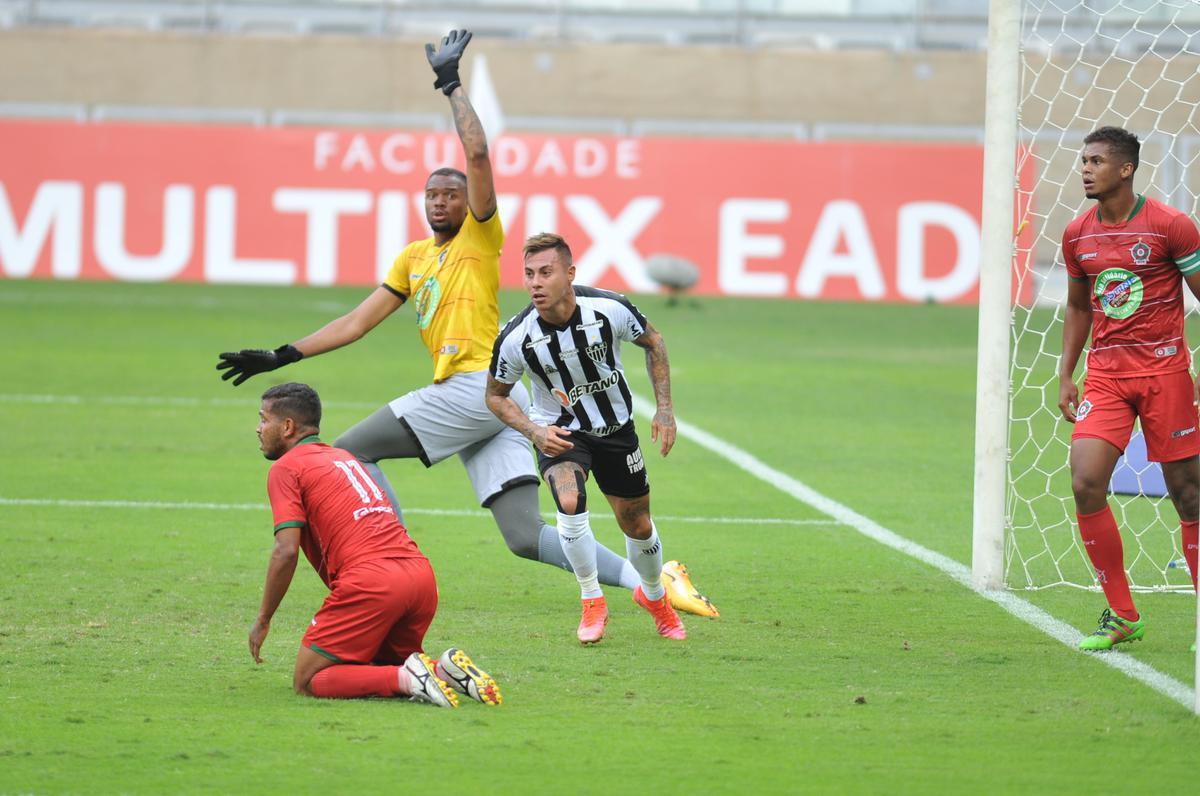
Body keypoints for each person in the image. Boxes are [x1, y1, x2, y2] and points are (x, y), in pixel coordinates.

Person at [215, 29, 718, 620]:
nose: (440, 202)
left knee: (349, 453)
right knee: (525, 536)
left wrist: (451, 84)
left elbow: (477, 155)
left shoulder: (481, 238)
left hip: (473, 383)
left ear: (467, 204)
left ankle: (388, 560)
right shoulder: (413, 259)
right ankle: (653, 580)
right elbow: (358, 322)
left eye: (451, 195)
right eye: (431, 194)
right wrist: (282, 356)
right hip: (499, 406)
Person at [486, 232, 688, 644]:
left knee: (637, 523)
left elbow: (654, 342)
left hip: (615, 430)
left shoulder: (608, 308)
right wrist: (534, 431)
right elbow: (495, 396)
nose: (535, 283)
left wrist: (664, 408)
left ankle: (655, 598)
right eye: (528, 274)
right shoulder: (516, 338)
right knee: (569, 499)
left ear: (570, 273)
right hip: (559, 432)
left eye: (546, 272)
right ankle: (591, 600)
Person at [249, 382, 501, 706]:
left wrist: (263, 619)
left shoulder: (287, 468)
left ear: (287, 427)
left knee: (309, 679)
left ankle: (407, 679)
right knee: (378, 664)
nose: (258, 429)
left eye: (263, 419)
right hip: (419, 576)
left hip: (373, 583)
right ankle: (443, 672)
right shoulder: (343, 458)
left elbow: (285, 550)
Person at [1058, 125, 1200, 651]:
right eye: (1083, 161)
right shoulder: (1077, 234)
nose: (1085, 169)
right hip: (1108, 377)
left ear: (1126, 169)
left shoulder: (1171, 226)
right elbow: (1077, 306)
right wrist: (1066, 372)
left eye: (1096, 161)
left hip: (1166, 376)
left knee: (1189, 497)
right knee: (1085, 480)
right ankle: (1122, 614)